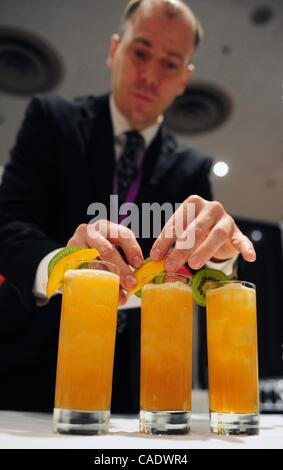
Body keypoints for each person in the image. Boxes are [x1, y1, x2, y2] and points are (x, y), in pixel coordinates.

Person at [0, 0, 255, 412]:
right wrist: (65, 265)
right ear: (114, 50)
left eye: (170, 64)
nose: (151, 76)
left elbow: (193, 270)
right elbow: (8, 224)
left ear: (184, 80)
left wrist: (221, 260)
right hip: (24, 372)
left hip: (140, 389)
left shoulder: (192, 169)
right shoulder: (52, 120)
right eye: (140, 52)